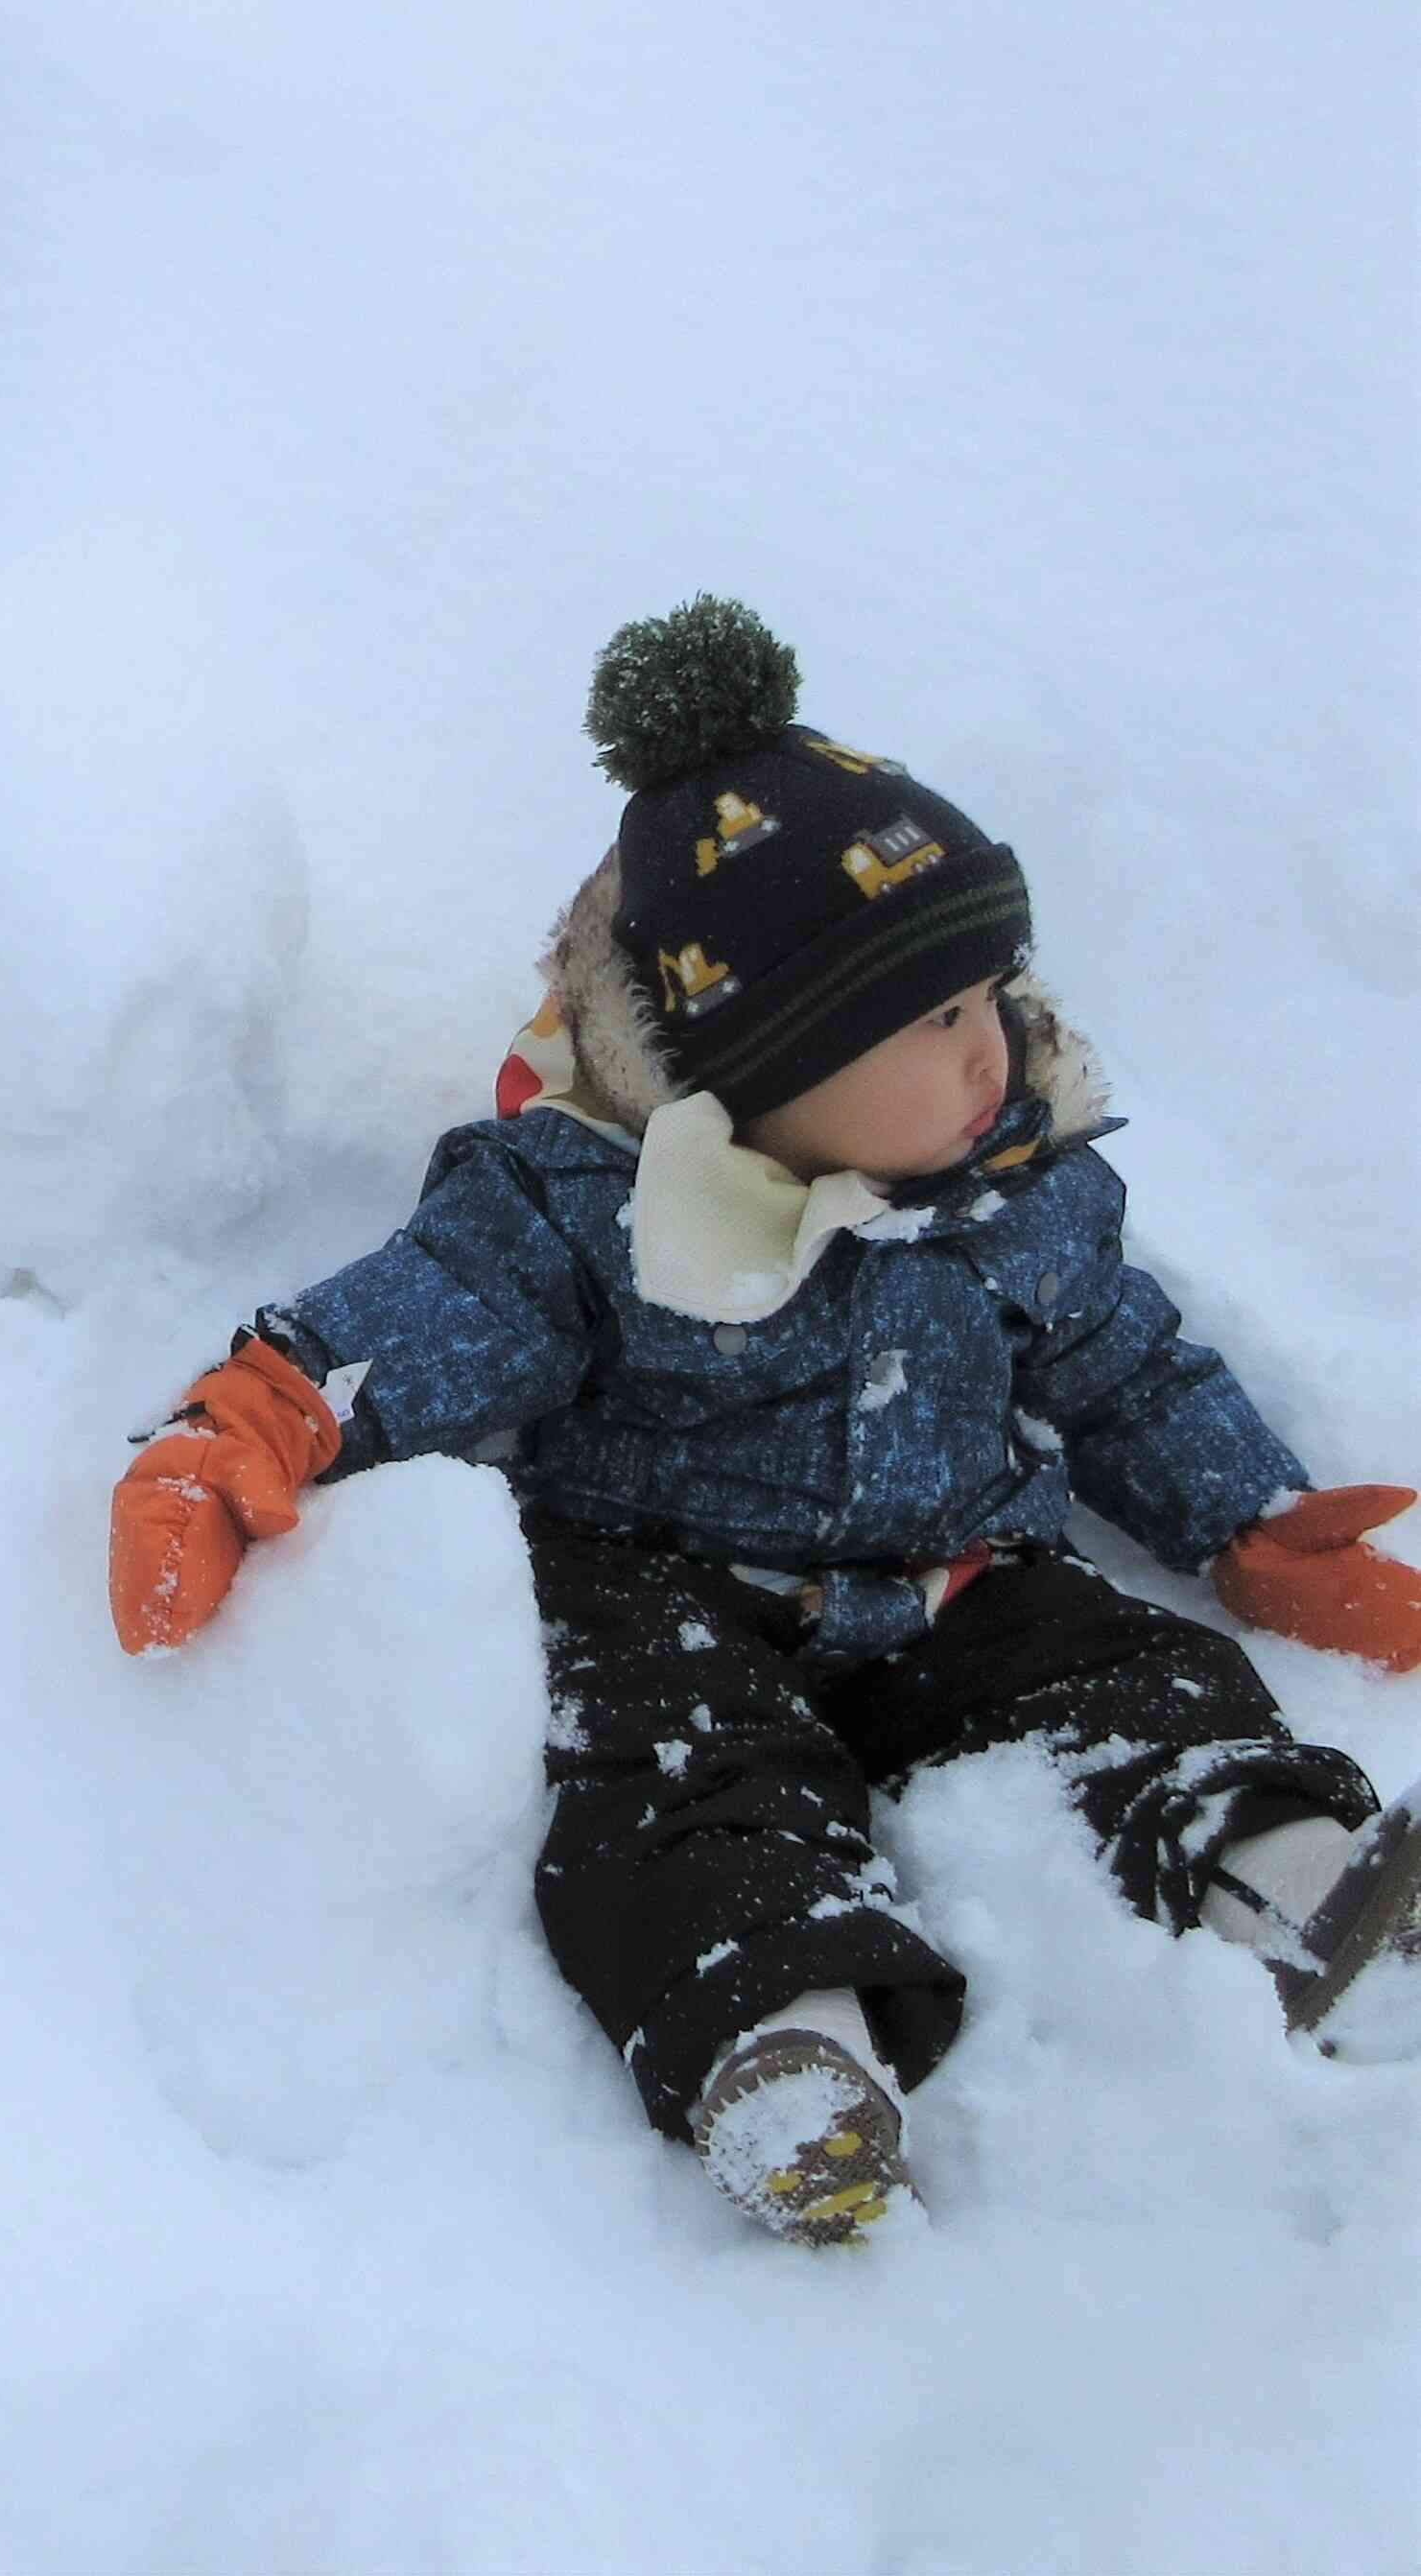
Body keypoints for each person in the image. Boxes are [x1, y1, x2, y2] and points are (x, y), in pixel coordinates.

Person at [102, 596, 1421, 2245]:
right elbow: (429, 1315)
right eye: (928, 1025)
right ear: (761, 1069)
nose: (986, 1051)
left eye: (989, 999)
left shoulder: (1023, 1189)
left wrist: (1252, 1525)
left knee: (1134, 1680)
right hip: (671, 1591)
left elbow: (1124, 1363)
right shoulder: (595, 1208)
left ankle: (1291, 1872)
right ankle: (784, 2044)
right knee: (666, 1791)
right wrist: (263, 1418)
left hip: (963, 1575)